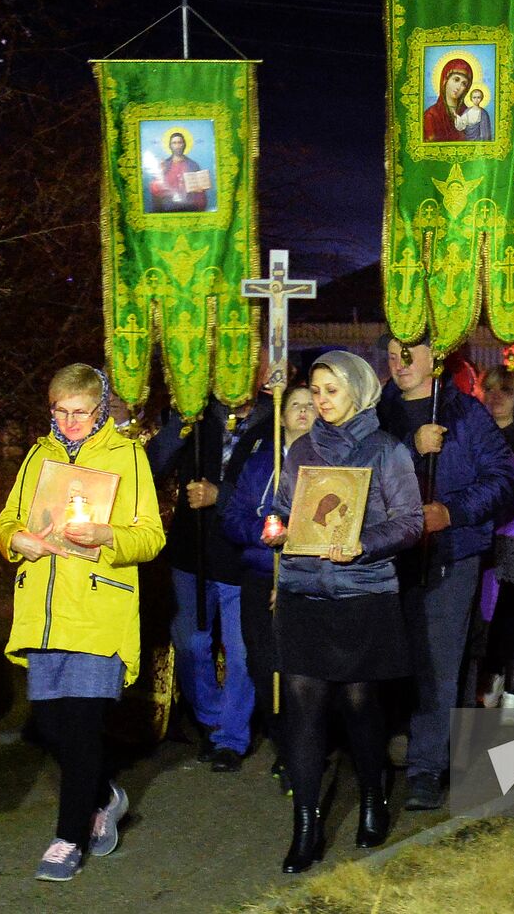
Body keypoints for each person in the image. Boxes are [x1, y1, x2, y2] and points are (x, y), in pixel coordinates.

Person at [0, 364, 164, 882]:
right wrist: (13, 540)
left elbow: (151, 536)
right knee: (50, 728)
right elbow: (6, 521)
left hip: (98, 612)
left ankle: (67, 839)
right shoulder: (37, 455)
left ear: (100, 410)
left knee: (84, 729)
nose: (69, 422)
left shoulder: (127, 455)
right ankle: (104, 794)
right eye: (60, 411)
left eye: (80, 412)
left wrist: (107, 535)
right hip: (44, 618)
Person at [265, 352, 423, 872]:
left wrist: (363, 543)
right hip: (303, 594)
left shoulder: (387, 450)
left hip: (361, 595)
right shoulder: (300, 450)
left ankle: (374, 794)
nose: (320, 400)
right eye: (314, 390)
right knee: (303, 708)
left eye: (331, 390)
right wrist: (277, 524)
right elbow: (285, 508)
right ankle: (306, 825)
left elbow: (410, 523)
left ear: (357, 389)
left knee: (359, 704)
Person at [378, 336, 514, 811]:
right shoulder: (379, 413)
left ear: (435, 358)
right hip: (390, 556)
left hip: (451, 553)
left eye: (410, 353)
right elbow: (362, 474)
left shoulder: (465, 414)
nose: (401, 364)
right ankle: (431, 746)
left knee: (439, 656)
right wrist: (411, 449)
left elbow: (503, 483)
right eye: (394, 354)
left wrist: (451, 512)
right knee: (405, 657)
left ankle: (425, 768)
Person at [147, 382, 274, 770]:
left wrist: (224, 494)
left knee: (241, 651)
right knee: (189, 641)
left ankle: (230, 738)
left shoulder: (275, 418)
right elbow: (153, 464)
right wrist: (181, 424)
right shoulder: (194, 411)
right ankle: (212, 717)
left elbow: (277, 483)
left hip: (241, 555)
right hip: (192, 551)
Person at [221, 384, 316, 791]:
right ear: (280, 415)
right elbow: (233, 516)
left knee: (300, 670)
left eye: (312, 406)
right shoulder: (260, 464)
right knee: (264, 667)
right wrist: (262, 532)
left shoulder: (327, 463)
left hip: (308, 579)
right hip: (261, 576)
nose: (303, 412)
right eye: (295, 405)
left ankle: (305, 751)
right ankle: (283, 744)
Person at [148, 132, 208, 212]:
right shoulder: (164, 165)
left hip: (189, 207)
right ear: (170, 146)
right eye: (174, 143)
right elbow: (156, 189)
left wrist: (199, 191)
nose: (177, 146)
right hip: (167, 208)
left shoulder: (193, 165)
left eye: (180, 143)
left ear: (184, 145)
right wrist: (160, 174)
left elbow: (201, 193)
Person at [423, 58, 472, 143]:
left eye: (464, 84)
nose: (458, 87)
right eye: (456, 80)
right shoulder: (431, 115)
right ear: (445, 80)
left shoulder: (468, 113)